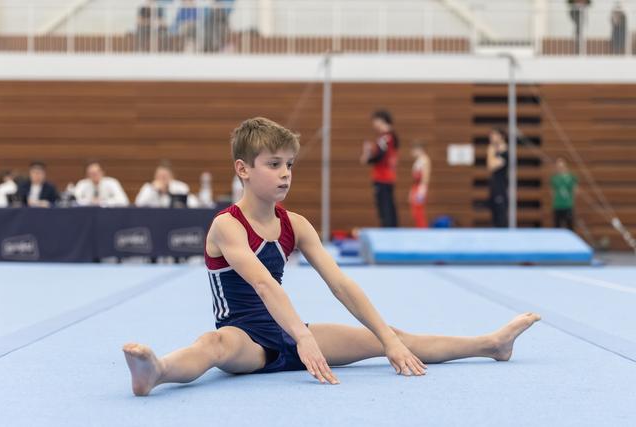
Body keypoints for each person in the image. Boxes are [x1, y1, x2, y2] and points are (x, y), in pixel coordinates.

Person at [122, 117, 541, 395]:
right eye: (273, 164)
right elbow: (265, 285)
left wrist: (387, 340)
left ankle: (491, 344)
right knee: (212, 344)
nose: (285, 173)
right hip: (245, 338)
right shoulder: (226, 226)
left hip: (293, 331)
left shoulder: (297, 224)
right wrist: (303, 339)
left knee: (393, 335)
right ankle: (158, 371)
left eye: (290, 164)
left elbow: (341, 283)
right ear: (243, 169)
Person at [360, 110, 399, 228]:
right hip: (387, 177)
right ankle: (391, 230)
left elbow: (380, 155)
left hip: (383, 177)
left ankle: (388, 232)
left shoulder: (386, 137)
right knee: (389, 207)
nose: (374, 125)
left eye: (375, 121)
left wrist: (368, 156)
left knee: (385, 208)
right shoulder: (389, 137)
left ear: (381, 120)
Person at [487, 128, 509, 228]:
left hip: (501, 187)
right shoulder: (494, 150)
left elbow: (491, 166)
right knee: (494, 216)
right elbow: (489, 166)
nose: (491, 137)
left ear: (501, 136)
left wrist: (491, 151)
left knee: (501, 217)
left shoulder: (505, 151)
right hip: (494, 187)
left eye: (494, 134)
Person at [550, 158, 578, 230]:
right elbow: (552, 193)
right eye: (558, 167)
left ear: (565, 166)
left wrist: (570, 202)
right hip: (557, 206)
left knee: (570, 227)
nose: (560, 168)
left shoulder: (571, 177)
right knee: (557, 227)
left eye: (562, 166)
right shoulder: (554, 178)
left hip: (567, 206)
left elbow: (575, 191)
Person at [409, 141, 431, 228]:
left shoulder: (425, 160)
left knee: (419, 211)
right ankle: (419, 228)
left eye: (413, 150)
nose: (412, 153)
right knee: (415, 211)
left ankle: (422, 230)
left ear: (419, 150)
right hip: (416, 186)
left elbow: (426, 175)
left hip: (420, 187)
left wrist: (422, 189)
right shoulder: (418, 160)